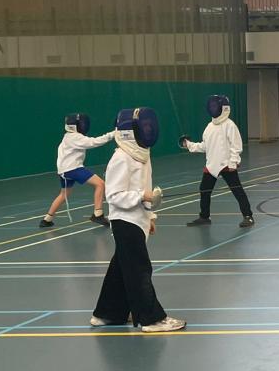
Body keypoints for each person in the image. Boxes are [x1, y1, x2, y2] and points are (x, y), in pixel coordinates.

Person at [91, 107, 185, 333]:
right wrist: (142, 196)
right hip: (124, 221)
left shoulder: (142, 154)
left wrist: (150, 215)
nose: (148, 130)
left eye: (149, 126)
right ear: (130, 131)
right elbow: (114, 196)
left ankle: (106, 314)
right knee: (139, 269)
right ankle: (152, 319)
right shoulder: (121, 158)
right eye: (144, 126)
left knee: (120, 268)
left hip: (138, 219)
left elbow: (144, 187)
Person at [181, 94, 254, 228]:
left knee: (237, 190)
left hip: (226, 165)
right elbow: (205, 146)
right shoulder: (209, 127)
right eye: (211, 106)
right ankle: (204, 217)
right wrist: (189, 145)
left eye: (215, 106)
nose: (213, 108)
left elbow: (236, 146)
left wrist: (233, 162)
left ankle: (248, 216)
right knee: (204, 190)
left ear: (223, 108)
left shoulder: (230, 125)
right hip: (212, 165)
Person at [40, 113, 115, 228]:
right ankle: (98, 214)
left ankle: (47, 219)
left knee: (64, 194)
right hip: (73, 168)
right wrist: (113, 134)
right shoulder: (74, 137)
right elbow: (94, 142)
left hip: (64, 171)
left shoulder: (67, 137)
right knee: (100, 184)